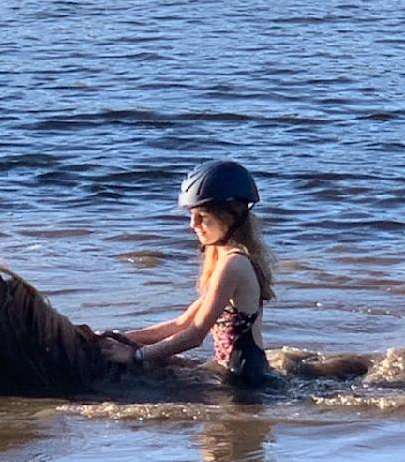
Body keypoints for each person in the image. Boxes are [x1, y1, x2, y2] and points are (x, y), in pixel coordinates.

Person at [101, 160, 283, 389]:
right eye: (191, 215)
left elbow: (195, 335)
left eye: (202, 217)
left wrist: (136, 356)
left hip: (244, 383)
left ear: (230, 217)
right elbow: (182, 323)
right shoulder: (223, 259)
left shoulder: (234, 264)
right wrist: (123, 338)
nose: (192, 224)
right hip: (230, 372)